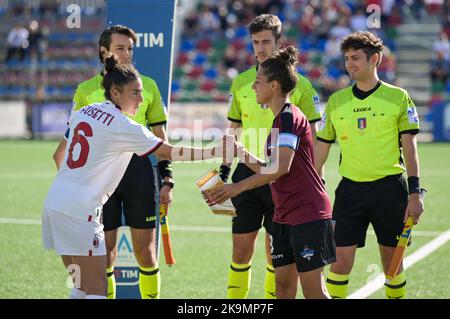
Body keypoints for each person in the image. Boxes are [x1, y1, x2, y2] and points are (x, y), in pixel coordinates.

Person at [43, 55, 231, 299]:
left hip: (55, 204)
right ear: (115, 92)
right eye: (135, 93)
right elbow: (169, 152)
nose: (141, 100)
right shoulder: (124, 125)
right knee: (97, 291)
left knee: (80, 287)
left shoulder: (86, 110)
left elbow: (58, 156)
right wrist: (217, 151)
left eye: (141, 93)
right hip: (81, 212)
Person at [52, 25, 172, 299]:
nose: (127, 54)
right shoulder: (85, 91)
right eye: (120, 48)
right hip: (101, 177)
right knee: (104, 253)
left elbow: (161, 138)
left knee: (146, 251)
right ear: (103, 52)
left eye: (130, 48)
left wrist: (167, 180)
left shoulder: (148, 85)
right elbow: (68, 145)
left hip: (139, 172)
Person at [206, 46, 335, 299]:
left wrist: (235, 187)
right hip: (283, 215)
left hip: (307, 213)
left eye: (258, 82)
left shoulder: (289, 117)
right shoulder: (278, 120)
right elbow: (270, 166)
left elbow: (280, 167)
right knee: (283, 289)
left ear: (274, 86)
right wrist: (240, 151)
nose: (254, 87)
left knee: (313, 293)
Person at [314, 31, 425, 299]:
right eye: (346, 58)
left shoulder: (398, 97)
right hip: (350, 192)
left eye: (355, 58)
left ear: (374, 59)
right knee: (338, 264)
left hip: (391, 191)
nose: (349, 63)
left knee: (392, 265)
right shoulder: (337, 101)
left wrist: (415, 193)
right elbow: (321, 150)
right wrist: (313, 192)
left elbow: (409, 147)